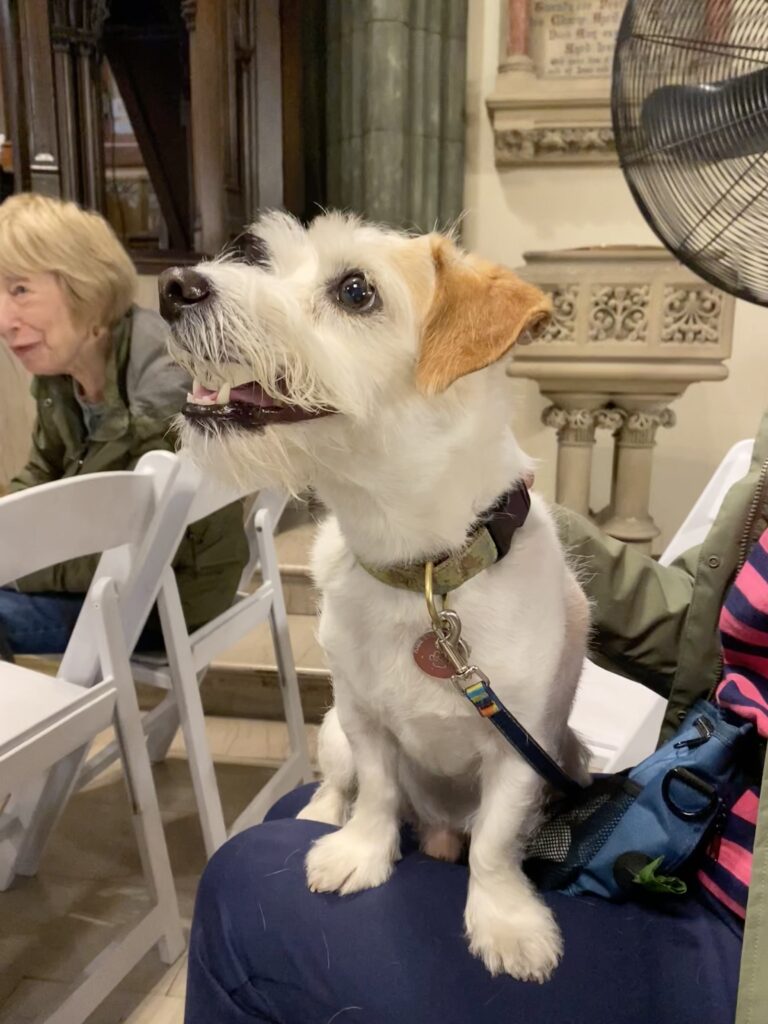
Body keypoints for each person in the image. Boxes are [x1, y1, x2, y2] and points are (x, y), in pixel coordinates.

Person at [181, 411, 768, 1024]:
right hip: (703, 801)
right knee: (297, 814)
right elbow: (707, 623)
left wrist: (493, 868)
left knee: (243, 884)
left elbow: (524, 744)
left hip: (735, 922)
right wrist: (489, 521)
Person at [0, 193, 248, 656]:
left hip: (166, 595)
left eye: (19, 290)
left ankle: (44, 729)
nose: (3, 320)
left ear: (84, 285)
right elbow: (41, 470)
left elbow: (134, 553)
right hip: (111, 569)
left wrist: (14, 561)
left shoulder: (160, 395)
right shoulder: (62, 374)